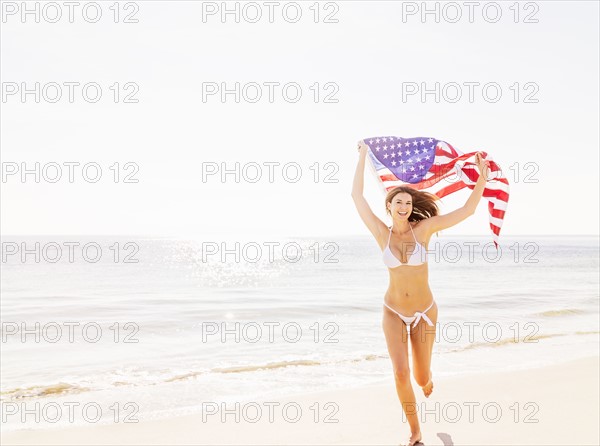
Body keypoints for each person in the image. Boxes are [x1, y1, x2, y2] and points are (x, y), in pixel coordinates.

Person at [351, 139, 490, 446]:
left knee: (420, 377)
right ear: (389, 206)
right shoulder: (380, 233)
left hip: (425, 312)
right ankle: (415, 433)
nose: (404, 206)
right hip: (393, 311)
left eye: (408, 203)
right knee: (400, 374)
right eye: (398, 202)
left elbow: (467, 210)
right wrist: (363, 154)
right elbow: (356, 196)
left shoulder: (424, 229)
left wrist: (482, 178)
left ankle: (427, 379)